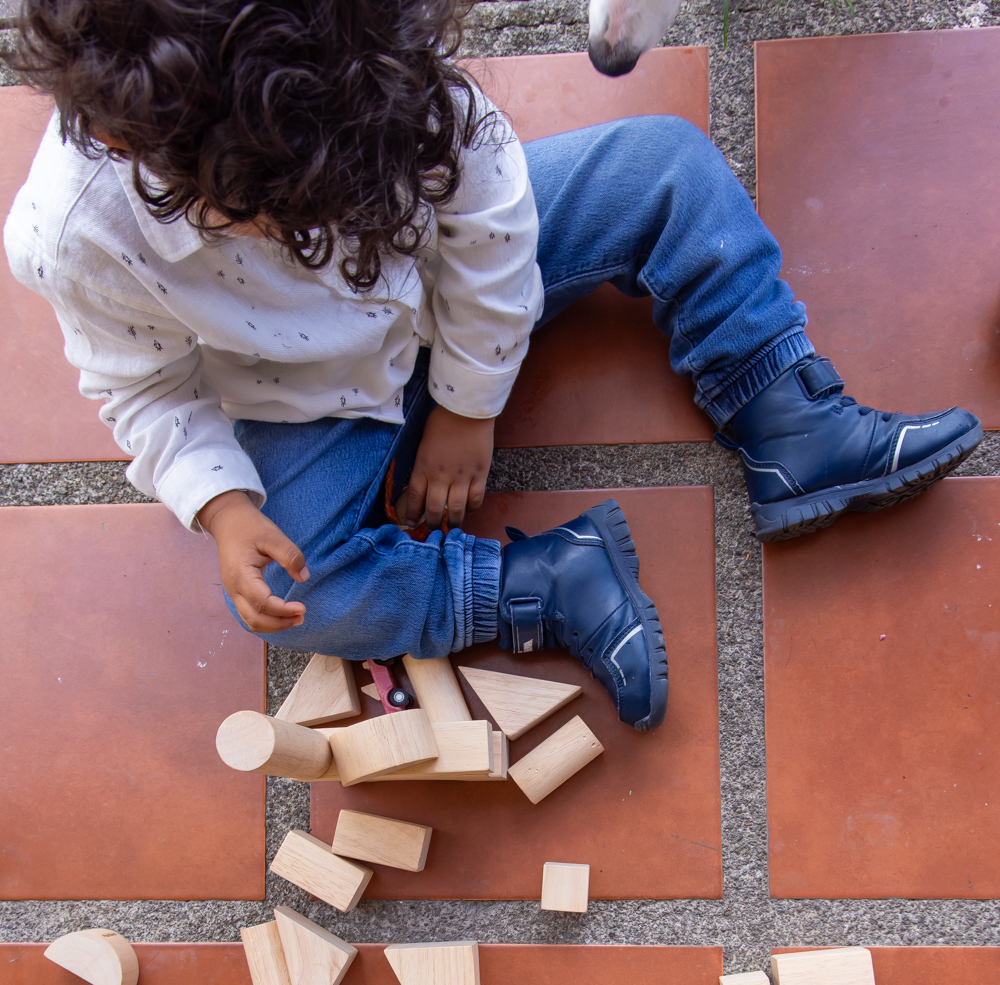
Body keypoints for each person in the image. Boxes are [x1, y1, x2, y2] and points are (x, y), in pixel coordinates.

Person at [4, 0, 982, 735]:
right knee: (290, 595)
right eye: (282, 219)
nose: (329, 224)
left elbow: (491, 218)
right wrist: (218, 504)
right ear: (135, 149)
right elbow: (141, 386)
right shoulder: (75, 238)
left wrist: (473, 400)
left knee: (665, 169)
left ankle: (790, 424)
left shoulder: (367, 60)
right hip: (309, 400)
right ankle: (548, 582)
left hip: (457, 290)